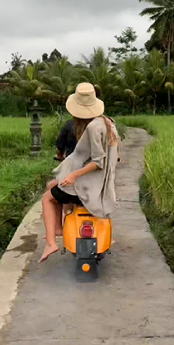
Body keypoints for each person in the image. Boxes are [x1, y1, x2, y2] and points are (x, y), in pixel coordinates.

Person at [39, 82, 119, 263]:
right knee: (54, 186)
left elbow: (98, 161)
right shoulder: (109, 124)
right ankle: (59, 228)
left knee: (47, 197)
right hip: (100, 186)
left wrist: (73, 175)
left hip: (87, 186)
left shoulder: (91, 127)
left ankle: (51, 242)